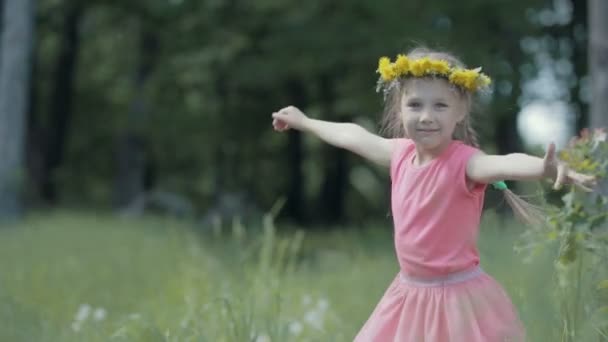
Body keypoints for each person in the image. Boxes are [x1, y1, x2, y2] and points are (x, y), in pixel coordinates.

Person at [271, 47, 596, 341]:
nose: (426, 116)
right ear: (400, 110)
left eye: (440, 105)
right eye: (415, 104)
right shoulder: (398, 154)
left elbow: (505, 162)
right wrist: (305, 121)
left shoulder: (465, 163)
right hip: (409, 296)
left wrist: (544, 167)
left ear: (460, 112)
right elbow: (351, 135)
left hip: (458, 300)